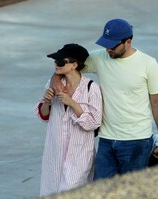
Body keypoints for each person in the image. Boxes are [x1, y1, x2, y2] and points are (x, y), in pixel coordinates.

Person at [51, 18, 158, 180]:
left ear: (128, 42)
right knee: (101, 191)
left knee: (132, 191)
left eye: (112, 46)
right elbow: (67, 65)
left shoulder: (148, 64)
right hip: (106, 140)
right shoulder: (100, 58)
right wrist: (55, 79)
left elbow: (157, 103)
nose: (108, 49)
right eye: (105, 44)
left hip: (137, 140)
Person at [35, 43, 102, 197]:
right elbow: (43, 116)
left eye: (60, 62)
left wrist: (72, 103)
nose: (56, 65)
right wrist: (46, 101)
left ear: (74, 65)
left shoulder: (92, 88)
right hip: (55, 153)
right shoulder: (54, 84)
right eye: (55, 62)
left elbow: (94, 123)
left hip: (79, 155)